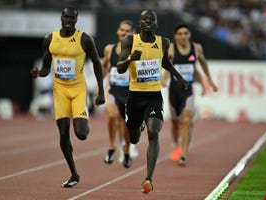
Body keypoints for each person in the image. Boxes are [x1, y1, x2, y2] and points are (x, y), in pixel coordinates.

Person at [30, 7, 105, 188]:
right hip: (60, 90)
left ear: (76, 20)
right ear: (61, 18)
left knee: (81, 134)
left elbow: (96, 64)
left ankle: (84, 118)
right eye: (66, 17)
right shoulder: (50, 39)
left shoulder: (85, 39)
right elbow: (47, 67)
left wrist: (100, 92)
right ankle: (74, 173)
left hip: (78, 89)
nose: (69, 20)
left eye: (72, 17)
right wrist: (39, 73)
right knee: (63, 132)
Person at [117, 9, 188, 194]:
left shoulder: (163, 42)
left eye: (151, 19)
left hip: (154, 96)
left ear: (155, 24)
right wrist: (131, 58)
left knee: (154, 133)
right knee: (133, 138)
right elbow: (119, 68)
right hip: (134, 96)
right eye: (144, 19)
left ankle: (149, 178)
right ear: (139, 23)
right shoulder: (130, 41)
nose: (148, 22)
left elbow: (165, 62)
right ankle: (138, 124)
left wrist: (179, 77)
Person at [162, 23, 218, 167]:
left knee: (186, 120)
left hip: (188, 90)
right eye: (180, 34)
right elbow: (167, 66)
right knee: (175, 123)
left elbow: (202, 65)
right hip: (174, 90)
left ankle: (183, 155)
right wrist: (164, 78)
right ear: (175, 36)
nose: (183, 36)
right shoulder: (172, 48)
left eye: (185, 33)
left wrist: (209, 81)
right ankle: (176, 146)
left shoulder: (196, 48)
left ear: (189, 35)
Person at [102, 20, 138, 168]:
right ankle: (111, 146)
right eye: (122, 30)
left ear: (133, 34)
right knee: (112, 115)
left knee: (125, 125)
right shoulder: (109, 49)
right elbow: (105, 67)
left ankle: (127, 150)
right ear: (118, 31)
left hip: (129, 92)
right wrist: (100, 87)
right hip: (113, 89)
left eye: (128, 31)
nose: (124, 33)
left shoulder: (136, 51)